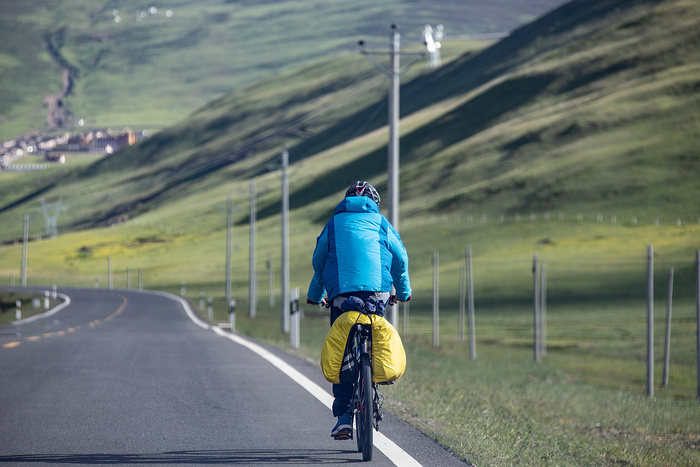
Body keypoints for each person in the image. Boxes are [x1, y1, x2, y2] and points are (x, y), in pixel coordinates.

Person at [306, 180, 412, 438]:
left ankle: (343, 413)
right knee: (374, 332)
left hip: (342, 296)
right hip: (378, 294)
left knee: (343, 349)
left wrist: (315, 295)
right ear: (374, 203)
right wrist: (404, 292)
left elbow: (319, 263)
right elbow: (400, 259)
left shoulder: (333, 224)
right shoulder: (382, 223)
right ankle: (371, 382)